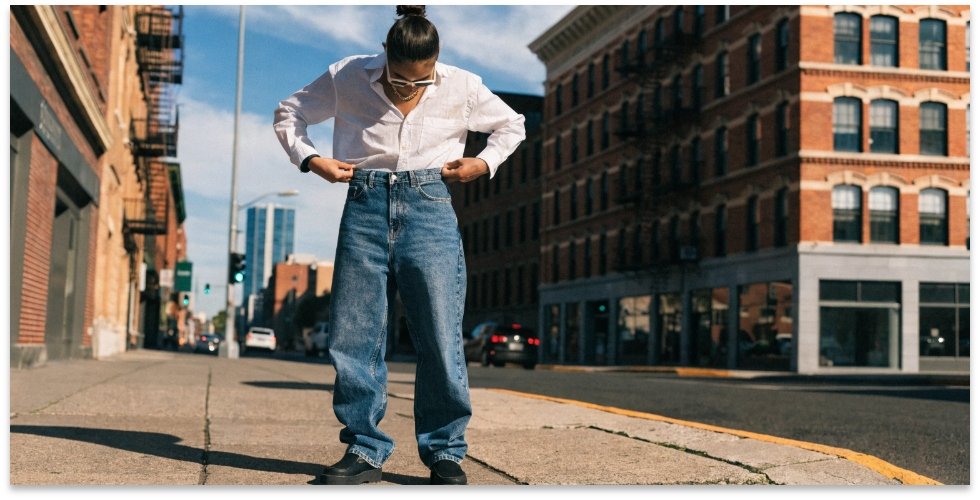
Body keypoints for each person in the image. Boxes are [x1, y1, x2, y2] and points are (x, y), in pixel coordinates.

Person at [273, 5, 525, 486]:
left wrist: (484, 162)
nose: (410, 87)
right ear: (384, 56)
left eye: (422, 80)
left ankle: (445, 450)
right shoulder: (347, 75)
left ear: (436, 62)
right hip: (364, 202)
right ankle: (364, 448)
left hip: (430, 206)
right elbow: (290, 112)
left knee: (439, 334)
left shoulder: (462, 84)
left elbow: (512, 124)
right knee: (355, 333)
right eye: (400, 78)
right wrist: (311, 160)